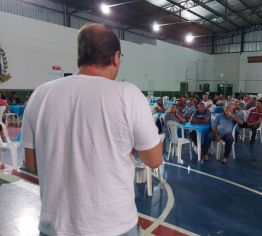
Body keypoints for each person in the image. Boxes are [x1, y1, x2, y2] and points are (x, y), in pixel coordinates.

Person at [21, 23, 163, 236]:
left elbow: (32, 164)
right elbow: (153, 160)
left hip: (54, 227)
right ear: (116, 57)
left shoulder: (40, 94)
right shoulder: (128, 94)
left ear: (80, 56)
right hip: (113, 227)